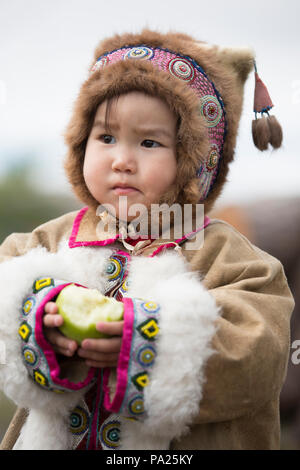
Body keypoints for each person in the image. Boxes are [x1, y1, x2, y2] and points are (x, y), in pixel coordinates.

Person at [0, 29, 294, 450]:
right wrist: (41, 321)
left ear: (194, 163)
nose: (121, 160)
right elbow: (5, 284)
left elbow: (257, 353)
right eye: (105, 138)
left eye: (149, 142)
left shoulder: (232, 259)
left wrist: (143, 340)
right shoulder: (53, 238)